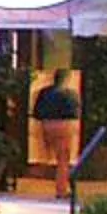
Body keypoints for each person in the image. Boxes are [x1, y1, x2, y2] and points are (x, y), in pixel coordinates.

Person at [31, 72, 82, 200]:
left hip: (46, 124)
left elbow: (36, 111)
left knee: (47, 155)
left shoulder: (44, 92)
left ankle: (35, 185)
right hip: (64, 125)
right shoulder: (69, 94)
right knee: (63, 159)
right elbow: (75, 112)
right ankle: (61, 190)